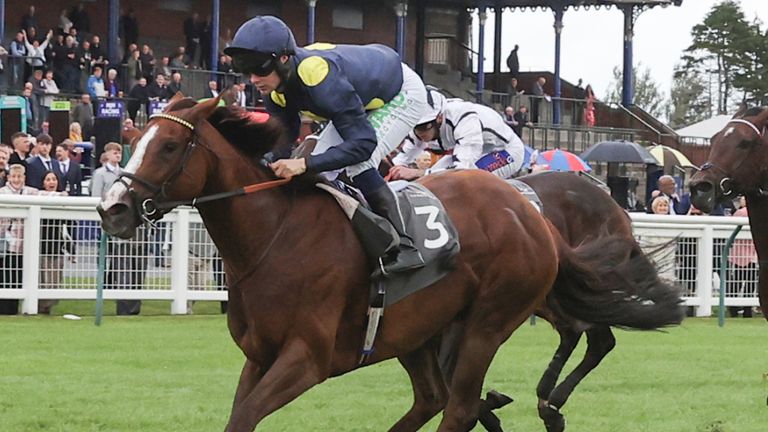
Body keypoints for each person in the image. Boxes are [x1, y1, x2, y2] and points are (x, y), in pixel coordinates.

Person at [224, 15, 429, 276]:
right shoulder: (275, 91)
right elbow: (282, 145)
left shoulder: (318, 77)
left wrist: (302, 163)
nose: (253, 78)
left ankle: (406, 247)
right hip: (358, 98)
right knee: (318, 172)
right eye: (245, 69)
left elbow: (363, 144)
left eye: (259, 68)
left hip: (399, 93)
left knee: (358, 162)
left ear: (284, 59)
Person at [389, 89, 525, 181]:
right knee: (435, 173)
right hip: (479, 149)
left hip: (507, 151)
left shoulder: (465, 120)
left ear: (439, 118)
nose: (419, 133)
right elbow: (401, 159)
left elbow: (461, 170)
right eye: (415, 127)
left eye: (424, 127)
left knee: (468, 178)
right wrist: (391, 170)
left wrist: (416, 173)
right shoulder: (425, 123)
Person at [91, 142, 145, 315]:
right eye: (115, 152)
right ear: (106, 154)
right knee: (121, 265)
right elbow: (96, 197)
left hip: (132, 224)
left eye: (120, 152)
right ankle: (124, 306)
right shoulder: (100, 174)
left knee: (137, 264)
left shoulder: (125, 173)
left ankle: (134, 305)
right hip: (114, 225)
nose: (118, 154)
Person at [0, 164, 39, 315]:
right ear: (8, 177)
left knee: (19, 278)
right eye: (13, 176)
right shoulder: (2, 192)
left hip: (25, 244)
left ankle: (16, 310)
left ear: (24, 178)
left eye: (19, 176)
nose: (16, 180)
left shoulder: (31, 192)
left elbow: (45, 195)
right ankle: (4, 310)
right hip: (6, 244)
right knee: (6, 277)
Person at [38, 171, 70, 314]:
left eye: (54, 179)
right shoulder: (37, 196)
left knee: (55, 278)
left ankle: (48, 307)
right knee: (42, 277)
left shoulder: (65, 200)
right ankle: (40, 306)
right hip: (41, 244)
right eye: (48, 179)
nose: (51, 182)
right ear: (43, 182)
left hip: (57, 245)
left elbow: (68, 226)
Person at [728, 196, 757, 318]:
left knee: (736, 282)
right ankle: (747, 309)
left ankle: (733, 309)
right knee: (749, 283)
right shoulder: (751, 212)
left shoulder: (739, 213)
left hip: (739, 254)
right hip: (751, 254)